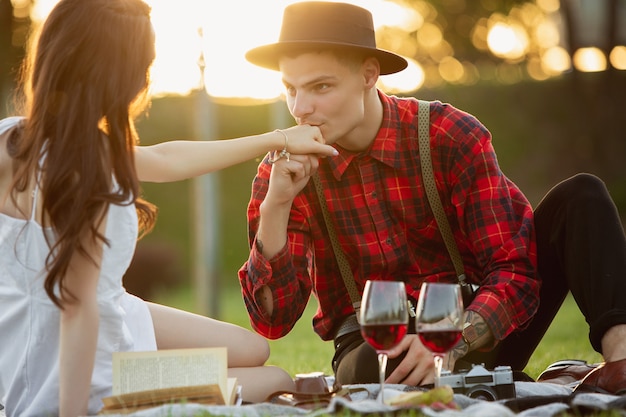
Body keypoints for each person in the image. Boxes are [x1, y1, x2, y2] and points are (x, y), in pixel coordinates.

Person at [238, 0, 626, 396]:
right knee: (378, 372)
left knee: (582, 195)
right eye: (291, 89)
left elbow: (516, 270)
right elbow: (275, 320)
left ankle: (621, 364)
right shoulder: (283, 172)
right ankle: (525, 385)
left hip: (476, 331)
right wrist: (276, 206)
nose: (301, 109)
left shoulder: (448, 134)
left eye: (321, 86)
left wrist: (452, 339)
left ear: (369, 76)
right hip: (373, 348)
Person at [0, 0, 338, 416]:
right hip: (91, 372)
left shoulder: (17, 140)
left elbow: (165, 160)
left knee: (251, 347)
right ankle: (139, 388)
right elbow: (78, 308)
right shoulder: (88, 176)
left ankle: (149, 376)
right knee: (276, 381)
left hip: (39, 342)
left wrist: (279, 137)